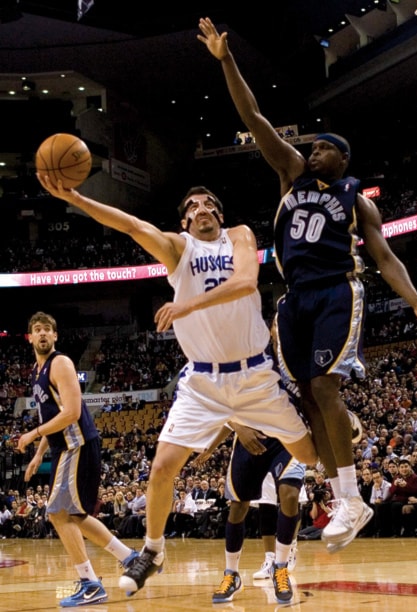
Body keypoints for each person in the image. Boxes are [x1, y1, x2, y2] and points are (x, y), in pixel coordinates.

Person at [197, 16, 417, 553]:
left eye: (322, 148)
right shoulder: (291, 175)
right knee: (306, 400)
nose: (311, 151)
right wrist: (227, 60)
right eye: (310, 148)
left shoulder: (358, 202)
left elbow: (384, 258)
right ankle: (344, 497)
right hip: (293, 300)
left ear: (343, 159)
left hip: (338, 290)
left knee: (324, 387)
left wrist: (413, 303)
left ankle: (350, 496)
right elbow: (256, 116)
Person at [35, 177, 318, 598]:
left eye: (209, 204)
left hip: (255, 374)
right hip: (203, 381)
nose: (201, 208)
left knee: (310, 456)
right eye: (193, 206)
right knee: (162, 467)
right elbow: (130, 225)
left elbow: (245, 283)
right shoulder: (178, 248)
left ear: (219, 214)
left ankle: (345, 473)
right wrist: (75, 199)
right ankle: (153, 550)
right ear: (184, 220)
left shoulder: (238, 236)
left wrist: (185, 305)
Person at [17, 311, 140, 607]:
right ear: (30, 337)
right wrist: (38, 455)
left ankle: (91, 584)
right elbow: (54, 416)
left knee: (58, 513)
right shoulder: (36, 371)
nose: (43, 333)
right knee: (76, 516)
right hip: (65, 448)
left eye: (48, 329)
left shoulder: (60, 363)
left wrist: (32, 434)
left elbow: (71, 413)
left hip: (78, 444)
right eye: (37, 329)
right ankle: (131, 558)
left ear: (55, 336)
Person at [193, 421, 308, 605]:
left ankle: (280, 567)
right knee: (238, 506)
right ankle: (232, 575)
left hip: (286, 435)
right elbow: (228, 406)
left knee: (291, 494)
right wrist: (235, 432)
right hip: (249, 435)